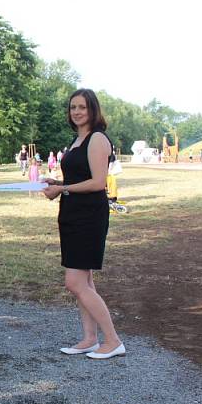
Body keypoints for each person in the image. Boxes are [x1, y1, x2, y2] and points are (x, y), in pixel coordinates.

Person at [43, 89, 125, 359]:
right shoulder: (77, 140)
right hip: (71, 213)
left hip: (89, 215)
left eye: (82, 107)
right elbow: (79, 177)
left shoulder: (97, 139)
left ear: (93, 110)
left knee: (75, 282)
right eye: (72, 107)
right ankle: (90, 338)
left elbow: (98, 183)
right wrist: (57, 184)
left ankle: (112, 340)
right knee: (85, 281)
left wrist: (62, 188)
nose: (76, 112)